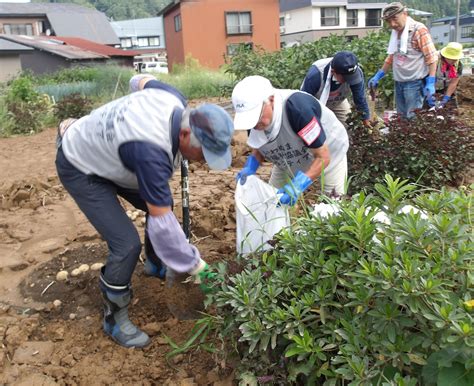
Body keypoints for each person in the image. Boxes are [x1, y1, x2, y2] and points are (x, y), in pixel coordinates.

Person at [56, 81, 234, 348]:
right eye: (203, 154)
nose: (204, 161)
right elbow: (163, 225)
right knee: (126, 244)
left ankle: (155, 263)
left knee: (163, 201)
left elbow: (138, 81)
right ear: (184, 135)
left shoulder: (174, 96)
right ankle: (114, 319)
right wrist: (198, 267)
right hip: (82, 166)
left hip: (116, 156)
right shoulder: (152, 152)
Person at [232, 75, 349, 204]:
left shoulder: (297, 109)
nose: (254, 124)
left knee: (333, 207)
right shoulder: (254, 122)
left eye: (257, 116)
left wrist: (298, 185)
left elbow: (323, 157)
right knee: (273, 203)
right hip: (288, 156)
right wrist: (250, 167)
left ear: (271, 100)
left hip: (329, 154)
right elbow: (260, 144)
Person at [368, 2, 438, 119]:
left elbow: (432, 57)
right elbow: (391, 57)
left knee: (412, 118)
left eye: (395, 19)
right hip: (399, 82)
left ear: (405, 14)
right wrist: (378, 75)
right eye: (389, 21)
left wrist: (431, 81)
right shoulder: (395, 33)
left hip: (414, 83)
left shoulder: (418, 30)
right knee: (401, 118)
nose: (392, 24)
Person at [301, 51, 371, 128]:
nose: (349, 81)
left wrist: (366, 122)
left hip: (338, 102)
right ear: (333, 72)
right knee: (316, 129)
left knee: (348, 127)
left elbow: (360, 99)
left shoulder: (356, 73)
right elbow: (304, 104)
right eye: (345, 78)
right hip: (316, 102)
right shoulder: (316, 75)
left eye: (351, 77)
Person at [431, 42, 464, 108]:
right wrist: (430, 95)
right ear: (445, 56)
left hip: (447, 89)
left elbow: (453, 83)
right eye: (452, 59)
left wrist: (446, 98)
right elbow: (428, 77)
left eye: (456, 59)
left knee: (450, 110)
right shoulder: (435, 60)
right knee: (429, 110)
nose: (454, 60)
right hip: (432, 88)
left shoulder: (459, 65)